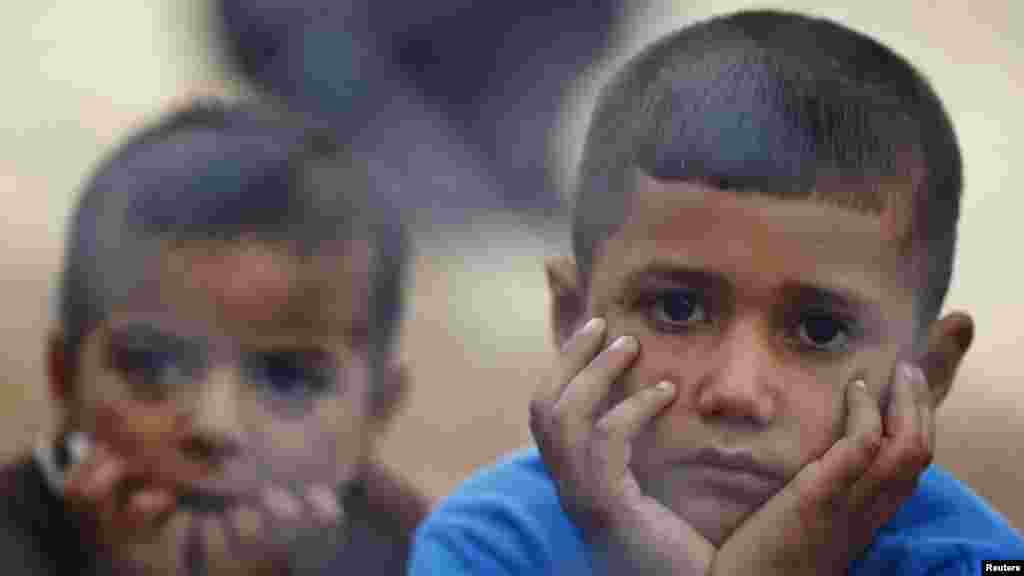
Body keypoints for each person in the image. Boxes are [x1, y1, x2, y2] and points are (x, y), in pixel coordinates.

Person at [409, 9, 1024, 575]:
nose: (735, 392)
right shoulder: (490, 547)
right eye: (676, 310)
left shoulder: (980, 564)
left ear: (929, 370)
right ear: (573, 318)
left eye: (819, 331)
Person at [0, 99, 426, 575]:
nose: (215, 427)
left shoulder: (421, 553)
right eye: (152, 367)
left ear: (376, 409)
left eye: (288, 379)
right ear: (66, 378)